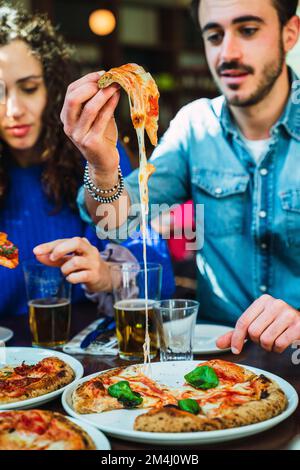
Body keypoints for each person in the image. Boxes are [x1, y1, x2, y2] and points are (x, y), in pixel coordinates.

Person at [0, 4, 175, 318]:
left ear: (52, 88)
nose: (13, 110)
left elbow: (159, 280)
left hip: (87, 356)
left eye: (28, 89)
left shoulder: (96, 154)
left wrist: (106, 275)